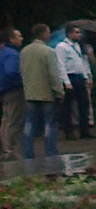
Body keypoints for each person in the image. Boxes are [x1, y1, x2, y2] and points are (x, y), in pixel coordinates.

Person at [19, 25, 62, 159]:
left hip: (30, 92)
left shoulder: (24, 51)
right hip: (46, 93)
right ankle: (51, 152)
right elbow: (53, 75)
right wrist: (59, 91)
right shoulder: (48, 51)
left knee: (29, 124)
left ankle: (27, 153)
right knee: (49, 124)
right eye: (48, 32)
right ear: (43, 34)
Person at [53, 26, 94, 140]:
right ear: (69, 34)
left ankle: (84, 131)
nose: (79, 35)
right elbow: (60, 65)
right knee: (68, 106)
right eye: (76, 32)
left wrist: (86, 77)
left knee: (84, 104)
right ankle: (68, 131)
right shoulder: (61, 47)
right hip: (70, 77)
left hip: (79, 77)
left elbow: (81, 62)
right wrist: (66, 82)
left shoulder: (77, 46)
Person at [0, 28, 25, 160]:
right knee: (14, 121)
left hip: (4, 90)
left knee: (6, 120)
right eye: (18, 36)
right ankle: (11, 151)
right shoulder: (12, 54)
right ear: (11, 39)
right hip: (14, 90)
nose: (21, 39)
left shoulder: (3, 52)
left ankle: (5, 149)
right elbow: (11, 72)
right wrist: (23, 79)